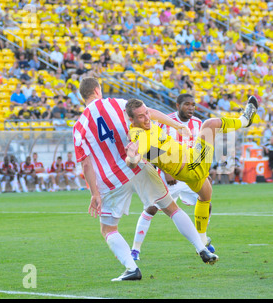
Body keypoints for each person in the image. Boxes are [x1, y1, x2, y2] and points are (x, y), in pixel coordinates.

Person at [73, 77, 218, 281]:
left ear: (82, 97)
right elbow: (149, 113)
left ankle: (131, 268)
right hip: (139, 165)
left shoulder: (79, 126)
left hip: (111, 179)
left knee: (108, 228)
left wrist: (94, 194)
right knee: (171, 208)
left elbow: (86, 163)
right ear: (98, 90)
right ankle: (202, 248)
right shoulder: (115, 103)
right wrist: (176, 125)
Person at [124, 96, 261, 259]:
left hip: (188, 165)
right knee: (210, 125)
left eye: (146, 113)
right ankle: (245, 120)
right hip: (192, 164)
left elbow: (153, 114)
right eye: (141, 116)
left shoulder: (146, 121)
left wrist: (177, 125)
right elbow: (134, 159)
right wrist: (132, 157)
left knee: (205, 195)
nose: (147, 118)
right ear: (131, 120)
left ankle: (202, 240)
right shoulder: (139, 136)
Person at [130, 94, 214, 261]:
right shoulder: (164, 120)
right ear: (177, 105)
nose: (190, 108)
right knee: (152, 209)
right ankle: (135, 250)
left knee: (206, 199)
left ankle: (201, 239)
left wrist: (202, 170)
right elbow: (152, 147)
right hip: (170, 174)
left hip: (190, 169)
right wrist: (167, 170)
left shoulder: (198, 123)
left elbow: (199, 149)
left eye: (193, 105)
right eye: (186, 105)